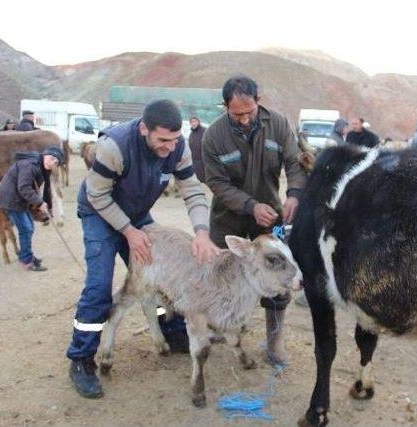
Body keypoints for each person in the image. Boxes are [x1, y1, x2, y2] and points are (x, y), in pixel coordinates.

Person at [66, 99, 220, 399]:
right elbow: (97, 196)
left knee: (163, 274)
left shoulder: (178, 146)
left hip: (136, 214)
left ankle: (172, 333)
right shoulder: (114, 147)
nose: (168, 147)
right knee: (99, 286)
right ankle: (81, 359)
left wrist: (201, 232)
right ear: (143, 129)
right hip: (99, 214)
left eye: (174, 140)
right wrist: (128, 232)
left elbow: (192, 190)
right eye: (162, 140)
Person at [202, 75, 307, 365]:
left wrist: (294, 194)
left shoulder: (279, 125)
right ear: (225, 107)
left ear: (258, 101)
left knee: (278, 277)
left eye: (250, 112)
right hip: (228, 219)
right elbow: (217, 183)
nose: (245, 119)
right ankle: (220, 329)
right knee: (222, 278)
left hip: (269, 218)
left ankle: (274, 342)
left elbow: (295, 163)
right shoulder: (213, 136)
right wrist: (249, 206)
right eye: (237, 114)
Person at [0, 146, 64, 271]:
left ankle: (26, 255)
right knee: (26, 228)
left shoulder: (43, 168)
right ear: (44, 155)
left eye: (55, 162)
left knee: (29, 227)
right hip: (11, 199)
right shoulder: (29, 165)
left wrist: (49, 208)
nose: (52, 162)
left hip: (20, 200)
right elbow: (24, 187)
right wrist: (39, 203)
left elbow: (46, 189)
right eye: (51, 158)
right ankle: (26, 261)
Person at [188, 116, 206, 183]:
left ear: (198, 122)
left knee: (204, 179)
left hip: (203, 160)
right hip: (194, 160)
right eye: (191, 122)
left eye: (195, 121)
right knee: (197, 180)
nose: (193, 123)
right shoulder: (191, 133)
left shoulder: (204, 131)